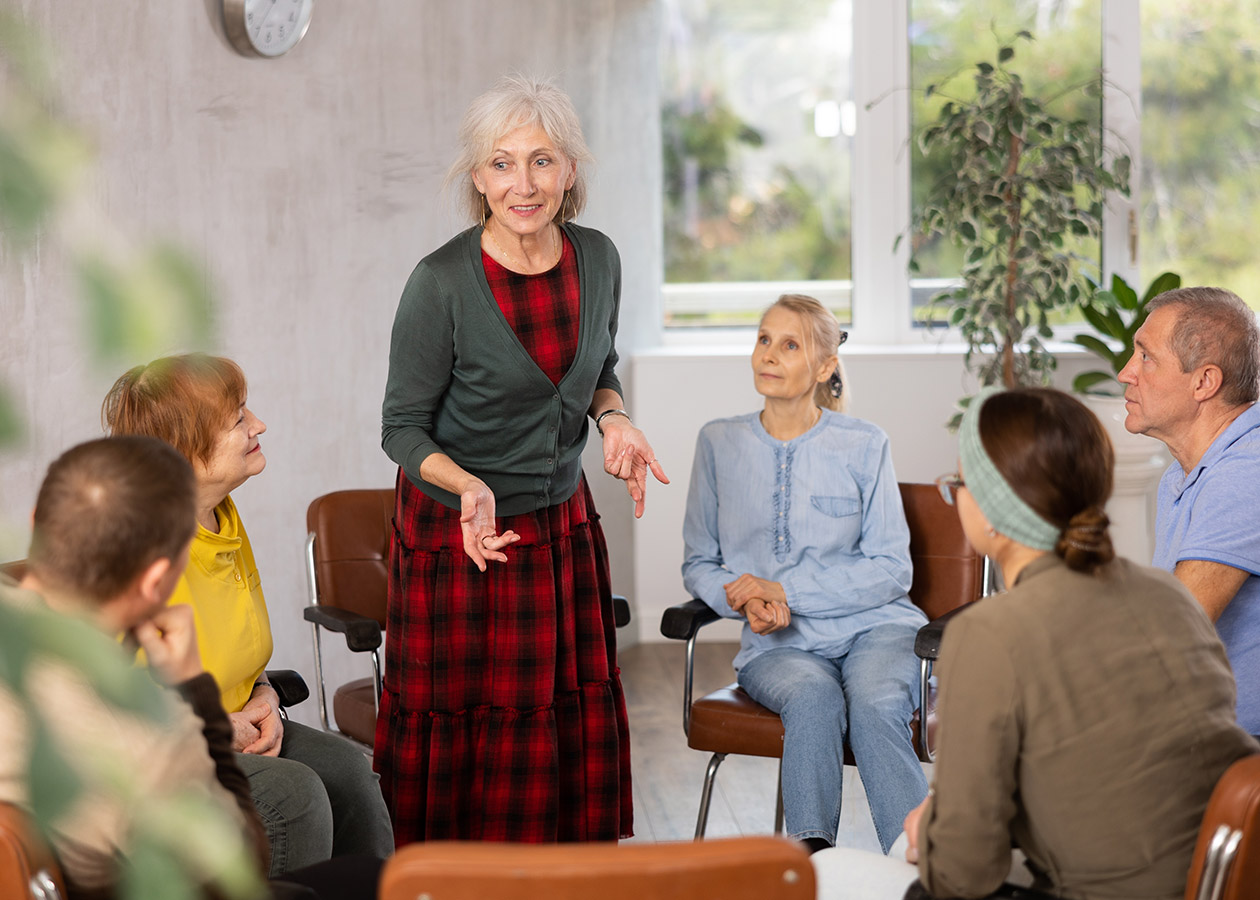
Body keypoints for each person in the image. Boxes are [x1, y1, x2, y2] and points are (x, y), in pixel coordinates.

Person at [810, 387, 1258, 900]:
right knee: (900, 851)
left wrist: (936, 831)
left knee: (827, 873)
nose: (956, 496)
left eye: (959, 484)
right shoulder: (1169, 595)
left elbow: (963, 874)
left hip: (1101, 888)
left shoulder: (988, 633)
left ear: (993, 512)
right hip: (1211, 878)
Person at [377, 73, 666, 845]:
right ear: (478, 179)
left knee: (555, 724)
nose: (523, 183)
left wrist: (616, 421)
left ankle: (559, 882)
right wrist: (468, 484)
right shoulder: (440, 283)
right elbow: (401, 429)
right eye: (502, 164)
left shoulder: (597, 259)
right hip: (460, 537)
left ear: (569, 171)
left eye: (541, 161)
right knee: (472, 731)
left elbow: (598, 372)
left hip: (559, 527)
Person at [0, 436, 382, 900]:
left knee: (359, 857)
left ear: (37, 523)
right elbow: (237, 862)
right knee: (363, 875)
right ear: (158, 580)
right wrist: (192, 689)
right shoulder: (139, 730)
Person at [103, 354, 394, 875]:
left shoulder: (220, 520)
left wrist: (265, 694)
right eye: (238, 418)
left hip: (231, 727)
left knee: (351, 773)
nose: (258, 424)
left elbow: (233, 653)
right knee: (292, 796)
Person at [681, 294, 928, 854]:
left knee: (874, 704)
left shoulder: (865, 444)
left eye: (789, 344)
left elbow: (892, 570)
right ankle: (809, 864)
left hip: (878, 629)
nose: (767, 355)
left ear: (824, 367)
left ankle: (918, 864)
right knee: (814, 700)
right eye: (764, 339)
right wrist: (745, 601)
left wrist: (785, 588)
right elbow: (700, 562)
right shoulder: (718, 442)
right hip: (780, 648)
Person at [1117, 286, 1260, 734]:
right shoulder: (1187, 471)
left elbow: (1172, 635)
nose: (1125, 373)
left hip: (1232, 747)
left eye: (1146, 357)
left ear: (1204, 382)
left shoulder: (1244, 474)